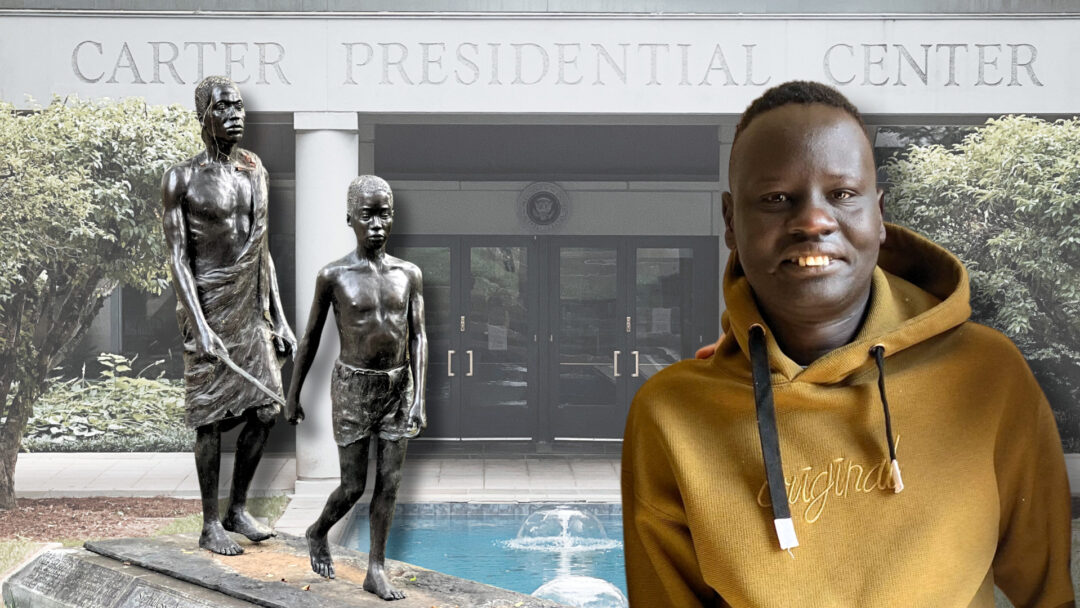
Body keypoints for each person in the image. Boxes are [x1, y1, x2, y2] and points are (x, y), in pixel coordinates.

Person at [621, 81, 1074, 607]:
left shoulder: (987, 376)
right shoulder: (671, 414)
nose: (813, 221)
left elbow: (1048, 594)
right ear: (730, 221)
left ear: (879, 215)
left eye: (841, 194)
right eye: (775, 199)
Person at [162, 76, 296, 556]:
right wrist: (199, 327)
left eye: (240, 107)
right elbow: (178, 258)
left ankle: (238, 508)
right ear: (205, 115)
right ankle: (208, 522)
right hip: (208, 307)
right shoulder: (182, 178)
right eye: (224, 107)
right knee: (209, 419)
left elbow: (263, 253)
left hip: (250, 311)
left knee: (266, 409)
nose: (237, 114)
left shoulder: (254, 173)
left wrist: (279, 318)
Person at [286, 175, 427, 600]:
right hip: (352, 388)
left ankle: (376, 567)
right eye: (368, 215)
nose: (377, 224)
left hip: (398, 387)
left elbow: (419, 336)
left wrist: (419, 395)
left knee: (390, 482)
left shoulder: (409, 274)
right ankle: (317, 531)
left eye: (384, 213)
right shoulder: (333, 276)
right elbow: (309, 337)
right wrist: (293, 393)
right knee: (352, 487)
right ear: (350, 218)